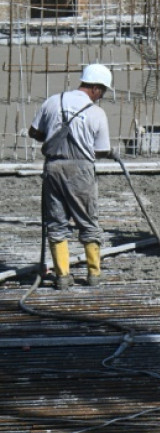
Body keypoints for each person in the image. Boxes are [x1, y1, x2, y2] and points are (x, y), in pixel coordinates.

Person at [28, 63, 116, 290]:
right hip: (81, 171)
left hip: (53, 168)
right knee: (88, 222)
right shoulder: (96, 113)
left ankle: (62, 277)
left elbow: (34, 132)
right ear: (96, 88)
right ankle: (94, 275)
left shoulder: (52, 101)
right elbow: (101, 150)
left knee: (56, 223)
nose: (101, 96)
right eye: (103, 91)